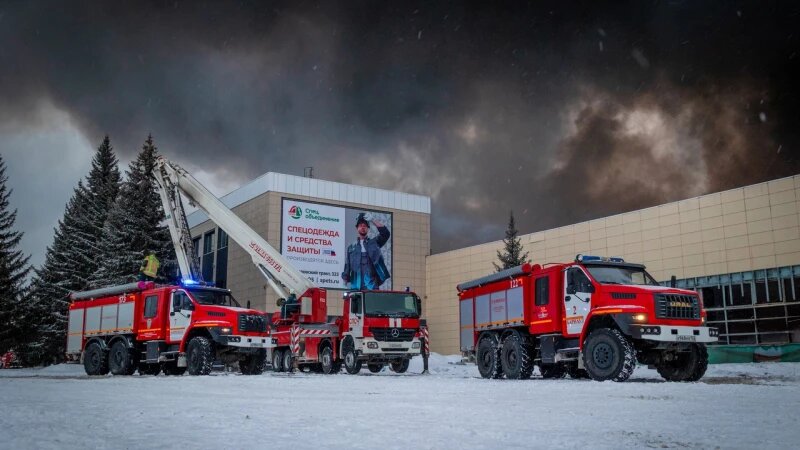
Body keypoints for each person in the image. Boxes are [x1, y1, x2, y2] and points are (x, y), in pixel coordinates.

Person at [342, 212, 390, 290]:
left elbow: (386, 234)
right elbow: (347, 266)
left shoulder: (374, 243)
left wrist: (373, 220)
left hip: (372, 286)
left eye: (365, 226)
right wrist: (344, 282)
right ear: (357, 228)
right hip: (356, 287)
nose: (363, 227)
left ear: (368, 229)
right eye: (360, 225)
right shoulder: (351, 248)